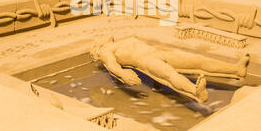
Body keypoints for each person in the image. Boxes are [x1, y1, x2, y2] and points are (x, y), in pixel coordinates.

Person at [91, 35, 250, 103]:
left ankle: (236, 69)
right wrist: (122, 73)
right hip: (147, 60)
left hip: (159, 53)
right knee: (171, 75)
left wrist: (156, 84)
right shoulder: (105, 51)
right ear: (98, 47)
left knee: (198, 60)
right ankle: (196, 91)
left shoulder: (119, 42)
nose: (102, 36)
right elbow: (112, 65)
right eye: (98, 39)